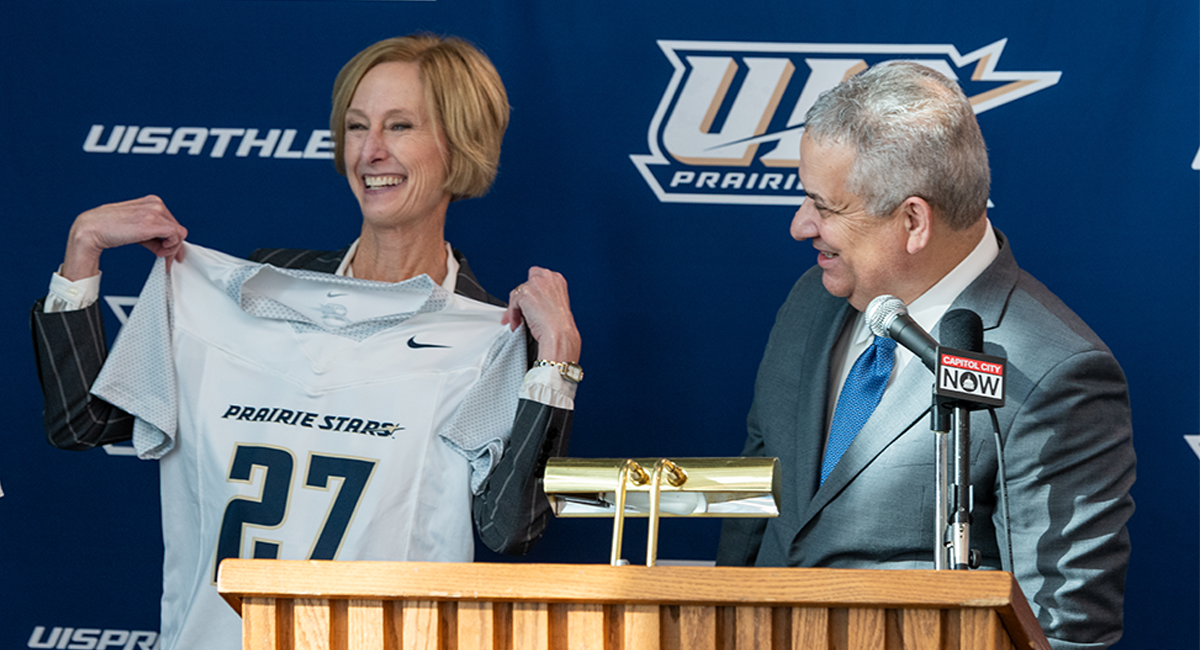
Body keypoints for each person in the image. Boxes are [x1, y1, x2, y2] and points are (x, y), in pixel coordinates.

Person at [31, 34, 581, 650]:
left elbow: (509, 529)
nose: (370, 151)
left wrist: (556, 360)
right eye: (356, 126)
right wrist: (81, 254)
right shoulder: (244, 295)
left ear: (460, 145)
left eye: (399, 126)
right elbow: (83, 423)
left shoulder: (491, 341)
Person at [715, 61, 1135, 649]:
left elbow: (1060, 633)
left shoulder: (1056, 374)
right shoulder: (812, 301)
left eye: (824, 206)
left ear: (913, 220)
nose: (800, 225)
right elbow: (756, 516)